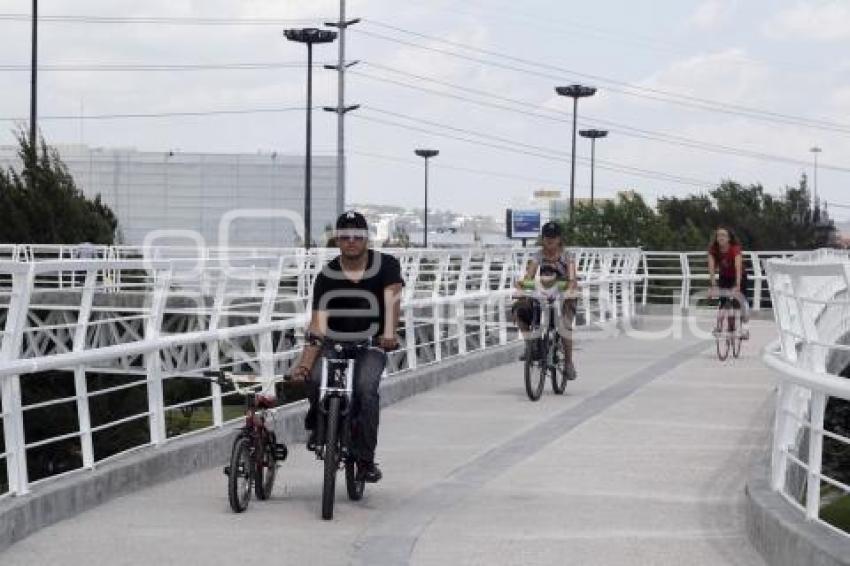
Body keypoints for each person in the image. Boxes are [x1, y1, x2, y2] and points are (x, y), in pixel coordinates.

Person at [290, 211, 404, 483]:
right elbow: (318, 324)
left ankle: (365, 461)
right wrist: (304, 364)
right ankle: (319, 426)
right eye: (344, 237)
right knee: (315, 378)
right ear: (337, 241)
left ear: (367, 239)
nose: (351, 241)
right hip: (334, 342)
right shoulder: (327, 275)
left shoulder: (386, 264)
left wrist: (388, 333)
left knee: (366, 391)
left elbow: (392, 300)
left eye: (357, 236)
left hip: (371, 344)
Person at [512, 221, 579, 379]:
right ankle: (530, 346)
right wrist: (522, 285)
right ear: (543, 238)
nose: (550, 240)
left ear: (559, 238)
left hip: (563, 294)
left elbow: (572, 277)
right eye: (547, 237)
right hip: (543, 292)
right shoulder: (538, 255)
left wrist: (570, 285)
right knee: (519, 310)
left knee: (564, 326)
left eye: (553, 237)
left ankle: (568, 362)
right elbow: (529, 276)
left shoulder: (567, 256)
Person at [707, 226, 750, 339]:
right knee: (723, 302)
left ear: (729, 238)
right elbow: (711, 268)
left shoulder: (735, 248)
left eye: (724, 235)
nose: (721, 237)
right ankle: (719, 327)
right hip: (724, 277)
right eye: (718, 235)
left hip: (739, 276)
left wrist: (738, 285)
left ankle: (745, 329)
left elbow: (738, 267)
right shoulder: (713, 249)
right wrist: (713, 285)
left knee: (741, 301)